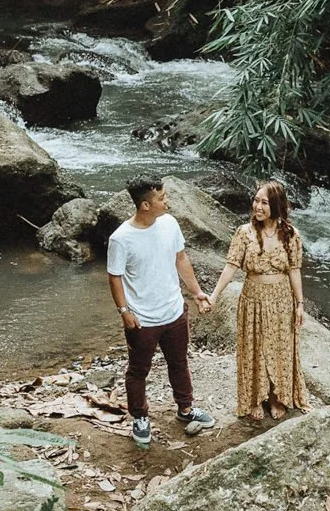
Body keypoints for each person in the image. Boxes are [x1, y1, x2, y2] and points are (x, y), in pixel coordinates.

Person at [107, 177, 216, 447]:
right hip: (143, 319)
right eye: (162, 198)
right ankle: (140, 417)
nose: (168, 201)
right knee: (138, 370)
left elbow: (181, 258)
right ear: (145, 204)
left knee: (179, 363)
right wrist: (124, 312)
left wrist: (196, 292)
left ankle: (186, 409)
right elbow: (114, 277)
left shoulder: (170, 224)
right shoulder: (121, 239)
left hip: (174, 311)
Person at [206, 180, 307, 421]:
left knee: (280, 348)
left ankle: (276, 396)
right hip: (252, 300)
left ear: (277, 205)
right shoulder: (244, 233)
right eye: (256, 200)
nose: (257, 206)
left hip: (282, 300)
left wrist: (300, 304)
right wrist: (214, 296)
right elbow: (231, 266)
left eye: (264, 202)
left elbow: (294, 269)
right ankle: (254, 398)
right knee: (255, 348)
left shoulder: (291, 235)